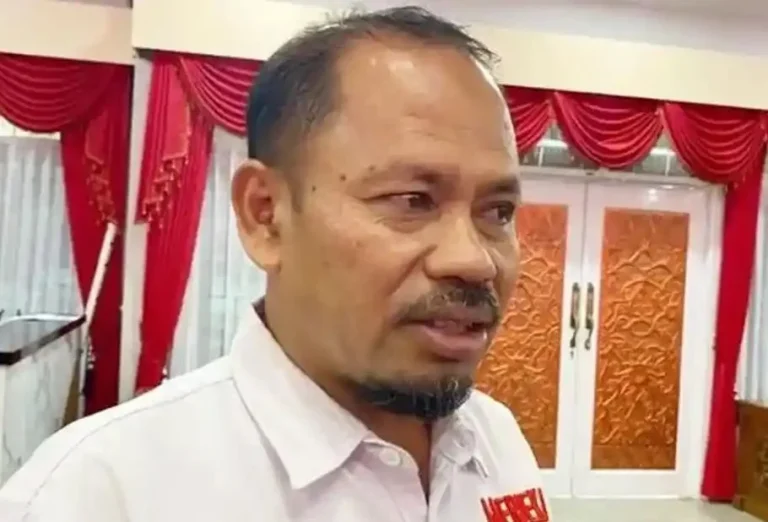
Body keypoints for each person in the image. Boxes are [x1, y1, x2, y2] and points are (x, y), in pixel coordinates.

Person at [0, 6, 547, 522]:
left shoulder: (496, 441)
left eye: (498, 211)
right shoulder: (99, 495)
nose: (473, 260)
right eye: (412, 201)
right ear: (265, 216)